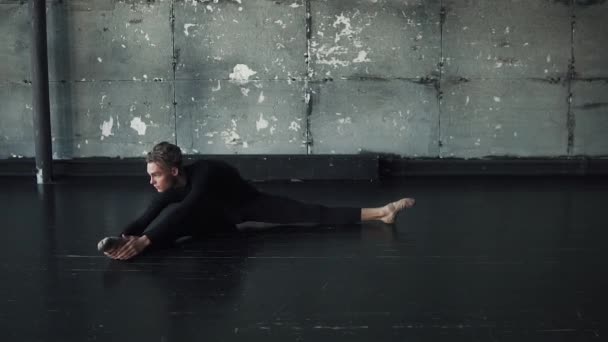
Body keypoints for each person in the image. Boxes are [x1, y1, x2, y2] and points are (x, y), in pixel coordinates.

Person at [98, 142, 416, 260]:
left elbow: (187, 206)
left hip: (248, 205)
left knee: (311, 214)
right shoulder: (167, 189)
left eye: (155, 174)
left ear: (175, 170)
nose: (151, 181)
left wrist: (144, 240)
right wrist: (120, 238)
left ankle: (382, 212)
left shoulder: (206, 172)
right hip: (217, 218)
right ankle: (128, 251)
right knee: (174, 232)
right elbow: (146, 217)